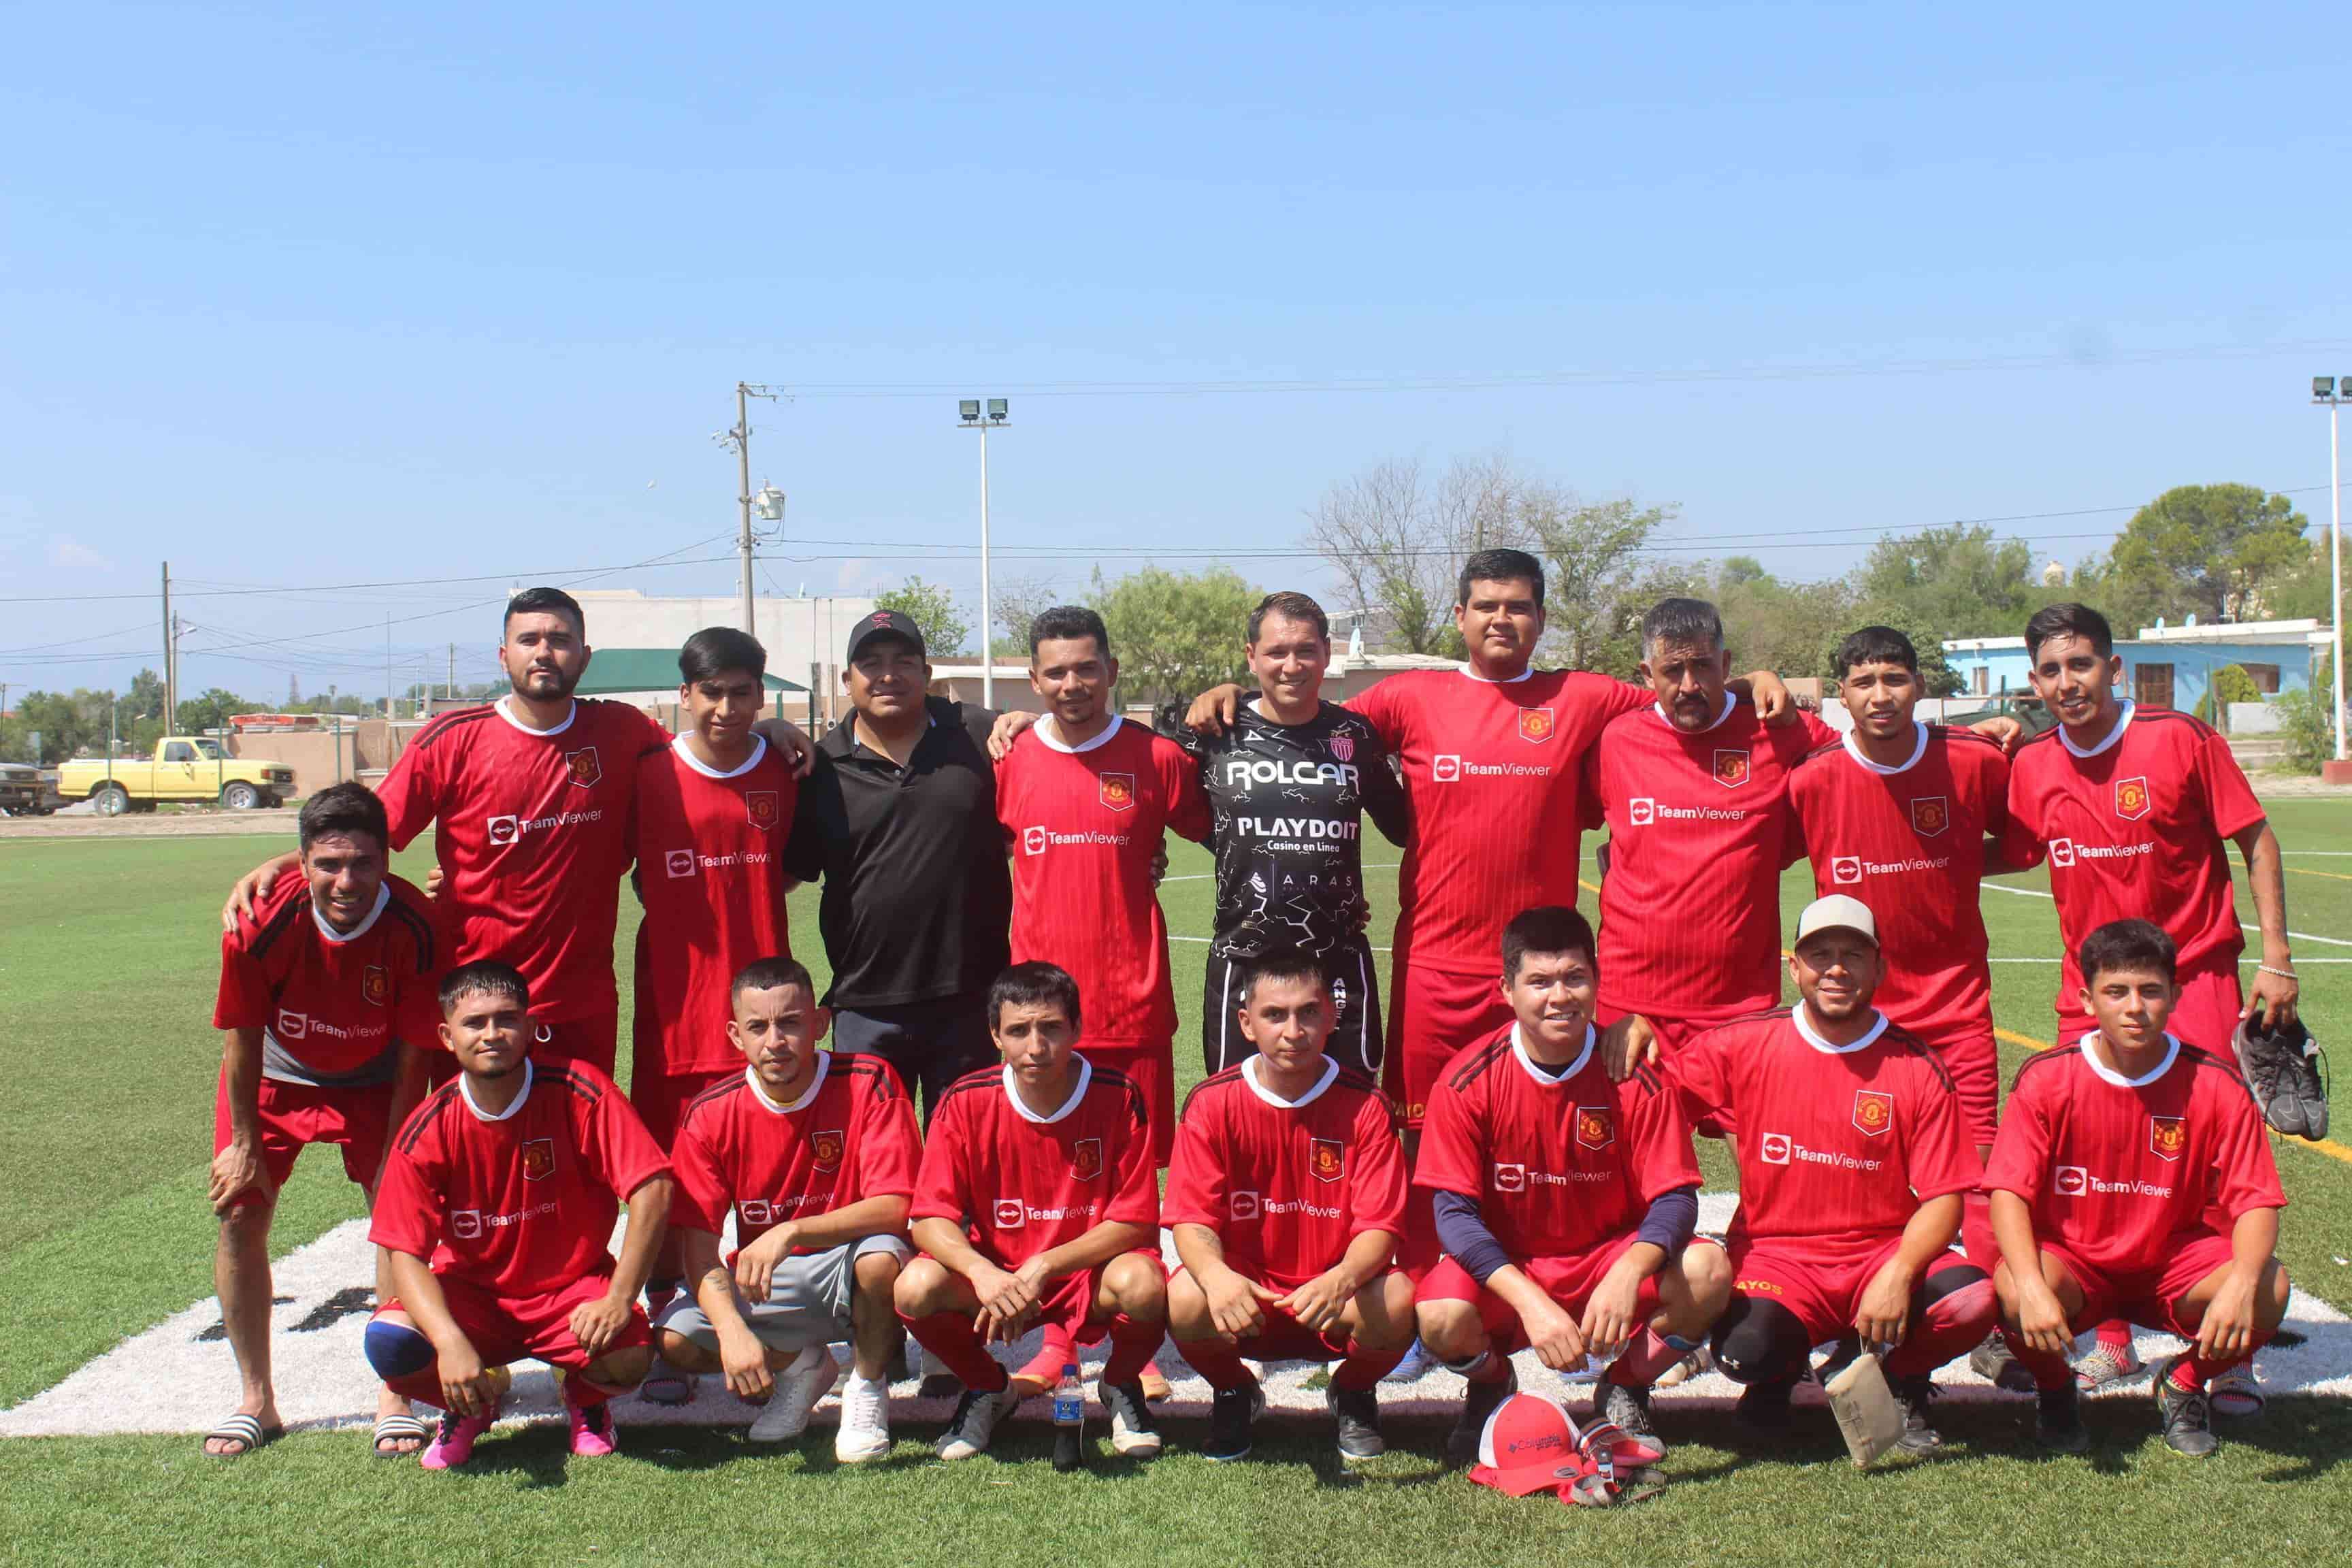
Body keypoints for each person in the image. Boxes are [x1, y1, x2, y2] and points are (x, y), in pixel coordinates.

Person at [1179, 552, 1794, 1130]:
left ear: (1542, 619)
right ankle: (1426, 1244)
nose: (1502, 619)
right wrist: (1238, 698)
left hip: (1539, 969)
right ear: (1460, 617)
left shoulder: (1585, 696)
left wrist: (1749, 681)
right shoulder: (1409, 697)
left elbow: (1680, 693)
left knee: (1546, 1121)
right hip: (1434, 965)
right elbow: (1309, 724)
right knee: (1420, 1121)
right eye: (1487, 606)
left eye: (1519, 607)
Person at [221, 588, 811, 1075]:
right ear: (504, 655)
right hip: (474, 1003)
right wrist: (283, 864)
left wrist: (773, 735)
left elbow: (707, 749)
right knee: (474, 1170)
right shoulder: (453, 739)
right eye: (530, 640)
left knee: (579, 1170)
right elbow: (362, 832)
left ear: (584, 656)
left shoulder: (624, 732)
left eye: (560, 640)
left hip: (580, 1001)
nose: (545, 652)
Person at [2000, 600, 2310, 1399]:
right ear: (2032, 683)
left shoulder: (2179, 739)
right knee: (2088, 1159)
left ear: (2113, 668)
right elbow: (1995, 843)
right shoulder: (2031, 765)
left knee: (2205, 1161)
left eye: (2080, 665)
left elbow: (2258, 839)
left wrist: (2276, 957)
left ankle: (2229, 1351)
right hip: (2086, 990)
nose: (2067, 683)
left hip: (2195, 979)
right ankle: (2109, 1332)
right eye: (2049, 671)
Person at [1661, 896, 1994, 1451]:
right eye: (1819, 955)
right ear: (1795, 967)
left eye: (1853, 955)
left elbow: (1944, 1198)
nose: (1836, 968)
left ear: (1880, 968)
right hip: (1778, 1256)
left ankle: (1900, 1381)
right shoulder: (1743, 1043)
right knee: (1746, 1351)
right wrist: (1633, 1035)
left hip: (1878, 1254)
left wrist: (1899, 1272)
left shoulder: (1916, 1064)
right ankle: (1775, 1376)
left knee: (1971, 1302)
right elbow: (1653, 1102)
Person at [1413, 906, 1731, 1465]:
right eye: (1539, 982)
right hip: (1516, 1269)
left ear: (1597, 981)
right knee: (1439, 1312)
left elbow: (1676, 1199)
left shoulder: (1636, 1076)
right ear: (1506, 990)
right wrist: (1531, 1302)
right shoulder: (1467, 1080)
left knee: (1708, 1273)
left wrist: (1629, 1271)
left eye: (1574, 978)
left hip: (1609, 1259)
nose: (1559, 997)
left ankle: (1626, 1387)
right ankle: (1490, 1384)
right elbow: (1454, 1215)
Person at [1987, 919, 2291, 1458]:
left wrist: (2243, 1281)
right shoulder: (2048, 1079)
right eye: (2116, 991)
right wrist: (2034, 1288)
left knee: (2269, 1286)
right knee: (2013, 1284)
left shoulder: (2216, 1083)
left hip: (2172, 1266)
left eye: (2150, 990)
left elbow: (2257, 1201)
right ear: (2087, 999)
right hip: (2078, 1265)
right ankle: (2057, 1392)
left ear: (2175, 995)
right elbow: (2009, 1193)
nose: (2135, 1007)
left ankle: (2185, 1383)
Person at [203, 782, 441, 1459]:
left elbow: (417, 1049)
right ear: (301, 862)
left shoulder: (417, 925)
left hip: (375, 1079)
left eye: (362, 864)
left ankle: (395, 1395)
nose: (346, 881)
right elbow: (241, 1036)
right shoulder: (257, 920)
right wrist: (244, 1143)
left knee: (400, 1224)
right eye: (328, 865)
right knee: (239, 1212)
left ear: (386, 862)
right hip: (279, 1076)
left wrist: (401, 1149)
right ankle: (257, 1399)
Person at [363, 961, 675, 1471]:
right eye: (474, 1023)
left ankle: (585, 1398)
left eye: (506, 1020)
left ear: (531, 1027)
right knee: (392, 1342)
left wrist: (620, 1297)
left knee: (631, 1354)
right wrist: (450, 1343)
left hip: (570, 1292)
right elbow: (406, 1253)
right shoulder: (428, 1128)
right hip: (474, 1296)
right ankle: (472, 1402)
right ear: (447, 1036)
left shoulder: (578, 1089)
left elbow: (653, 1187)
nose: (492, 1034)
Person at [893, 963, 1168, 1463]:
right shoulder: (964, 1101)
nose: (1036, 1047)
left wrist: (1044, 1265)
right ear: (996, 1035)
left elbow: (1136, 1221)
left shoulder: (1118, 1095)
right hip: (998, 1275)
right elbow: (928, 1218)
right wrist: (982, 1273)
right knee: (915, 1287)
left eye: (1051, 1028)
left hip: (1086, 1274)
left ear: (1077, 1028)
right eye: (1018, 1031)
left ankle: (1120, 1385)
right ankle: (989, 1388)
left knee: (1144, 1283)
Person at [625, 627, 802, 1399]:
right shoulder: (646, 774)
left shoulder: (786, 768)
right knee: (673, 1172)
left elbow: (799, 867)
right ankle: (672, 1318)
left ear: (761, 697)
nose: (726, 708)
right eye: (711, 693)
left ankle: (783, 1321)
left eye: (742, 693)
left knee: (771, 1164)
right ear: (684, 696)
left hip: (766, 1012)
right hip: (677, 1005)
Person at [653, 958, 921, 1462]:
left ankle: (866, 1388)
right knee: (676, 1340)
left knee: (882, 1258)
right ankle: (801, 1366)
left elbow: (898, 1205)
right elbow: (699, 1244)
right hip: (769, 1282)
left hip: (850, 1267)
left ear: (819, 1024)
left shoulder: (869, 1080)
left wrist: (791, 1229)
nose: (775, 1040)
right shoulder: (710, 1113)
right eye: (758, 1026)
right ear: (736, 1035)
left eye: (791, 1022)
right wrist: (732, 1333)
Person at [1164, 955, 1416, 1463]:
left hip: (1332, 1296)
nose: (1293, 1031)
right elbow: (1192, 1221)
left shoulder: (1367, 1105)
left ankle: (1352, 1390)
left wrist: (1342, 1278)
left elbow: (1381, 1228)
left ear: (1331, 1018)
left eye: (1307, 1013)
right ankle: (1235, 1390)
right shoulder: (1212, 1103)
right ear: (1246, 1024)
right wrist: (1217, 1278)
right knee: (1187, 1297)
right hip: (1248, 1298)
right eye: (1275, 1015)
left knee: (1396, 1298)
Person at [1584, 598, 1842, 1077]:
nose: (1688, 685)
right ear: (1647, 673)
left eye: (1703, 666)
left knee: (1760, 1149)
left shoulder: (1776, 730)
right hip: (1633, 1001)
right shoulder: (1615, 741)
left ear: (1725, 665)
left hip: (1740, 1001)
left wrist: (1958, 742)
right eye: (1672, 670)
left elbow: (1870, 755)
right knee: (1638, 1149)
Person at [993, 605, 1210, 1163]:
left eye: (1086, 669)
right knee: (1044, 1163)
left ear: (1111, 671)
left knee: (1137, 1168)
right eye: (1057, 673)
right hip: (1039, 1011)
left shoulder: (1159, 759)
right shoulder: (1009, 760)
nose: (1072, 685)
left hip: (1131, 1005)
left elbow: (1232, 838)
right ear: (1034, 680)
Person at [786, 609, 1011, 1122]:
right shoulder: (819, 767)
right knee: (871, 1170)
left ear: (927, 674)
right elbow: (786, 871)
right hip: (865, 1005)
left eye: (904, 661)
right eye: (871, 663)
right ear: (848, 680)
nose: (888, 675)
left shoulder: (977, 735)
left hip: (970, 1000)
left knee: (966, 1169)